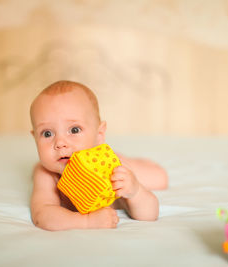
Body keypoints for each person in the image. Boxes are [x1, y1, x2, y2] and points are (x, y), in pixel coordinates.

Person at [30, 80, 168, 231]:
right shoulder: (46, 174)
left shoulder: (114, 166)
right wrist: (86, 222)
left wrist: (135, 192)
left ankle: (136, 163)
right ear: (35, 138)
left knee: (160, 179)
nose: (60, 143)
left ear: (99, 134)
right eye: (47, 133)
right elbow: (42, 215)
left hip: (119, 163)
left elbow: (150, 215)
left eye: (74, 130)